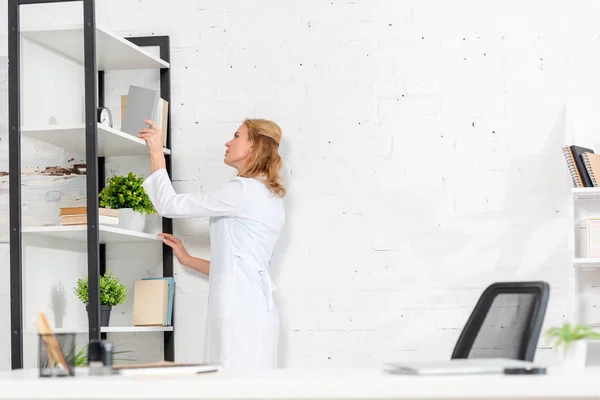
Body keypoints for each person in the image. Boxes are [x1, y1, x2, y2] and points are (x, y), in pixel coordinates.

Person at [138, 118, 286, 371]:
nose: (228, 142)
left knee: (227, 386)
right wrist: (187, 259)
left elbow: (168, 205)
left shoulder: (241, 190)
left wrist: (155, 150)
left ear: (254, 146)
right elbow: (238, 266)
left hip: (237, 310)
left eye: (237, 136)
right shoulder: (271, 197)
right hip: (258, 310)